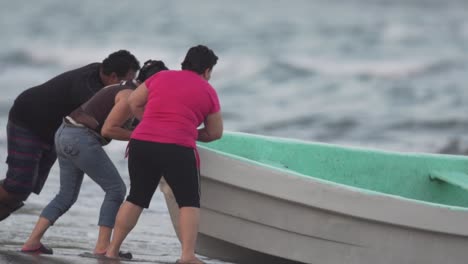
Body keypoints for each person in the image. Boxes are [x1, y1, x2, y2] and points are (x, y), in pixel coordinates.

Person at [20, 60, 169, 256]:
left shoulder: (125, 88)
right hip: (80, 138)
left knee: (66, 196)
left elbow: (115, 123)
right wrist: (143, 136)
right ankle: (102, 247)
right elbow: (109, 129)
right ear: (153, 83)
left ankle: (32, 242)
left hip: (65, 133)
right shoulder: (129, 97)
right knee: (116, 189)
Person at [105, 45, 223, 264]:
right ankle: (187, 256)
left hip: (142, 143)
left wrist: (150, 122)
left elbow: (133, 102)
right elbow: (215, 132)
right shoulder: (207, 90)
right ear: (207, 70)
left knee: (136, 197)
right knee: (188, 202)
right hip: (177, 148)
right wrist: (187, 131)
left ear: (185, 63)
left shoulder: (160, 77)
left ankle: (112, 250)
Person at [0, 50, 140, 222]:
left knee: (28, 187)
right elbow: (108, 126)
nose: (129, 87)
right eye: (126, 81)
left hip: (54, 131)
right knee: (17, 187)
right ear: (112, 76)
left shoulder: (101, 78)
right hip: (28, 120)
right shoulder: (89, 88)